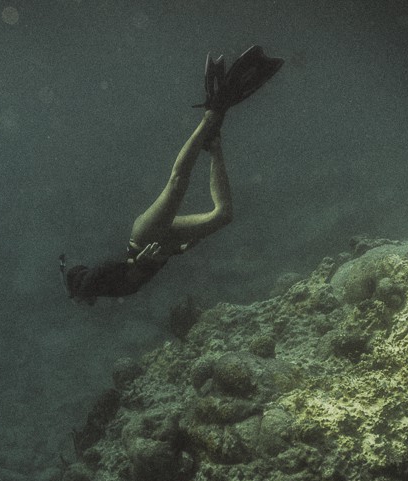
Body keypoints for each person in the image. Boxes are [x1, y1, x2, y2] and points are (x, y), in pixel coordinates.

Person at [61, 46, 283, 305]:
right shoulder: (102, 289)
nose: (82, 303)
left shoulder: (88, 286)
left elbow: (102, 270)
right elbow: (135, 272)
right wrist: (178, 250)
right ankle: (215, 147)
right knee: (223, 215)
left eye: (78, 299)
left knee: (177, 184)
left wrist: (134, 262)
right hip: (164, 246)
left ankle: (209, 117)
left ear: (78, 290)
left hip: (144, 238)